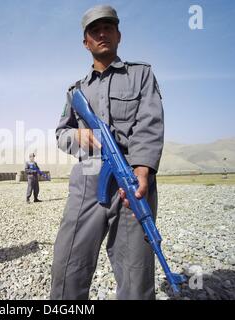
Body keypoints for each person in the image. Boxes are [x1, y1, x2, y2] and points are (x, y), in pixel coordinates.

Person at [51, 5, 164, 300]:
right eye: (95, 30)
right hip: (87, 179)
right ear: (86, 42)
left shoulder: (141, 75)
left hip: (131, 181)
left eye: (108, 28)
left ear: (119, 35)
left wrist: (143, 170)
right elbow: (61, 134)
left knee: (135, 272)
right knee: (68, 265)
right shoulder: (76, 91)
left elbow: (150, 123)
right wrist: (80, 136)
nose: (102, 33)